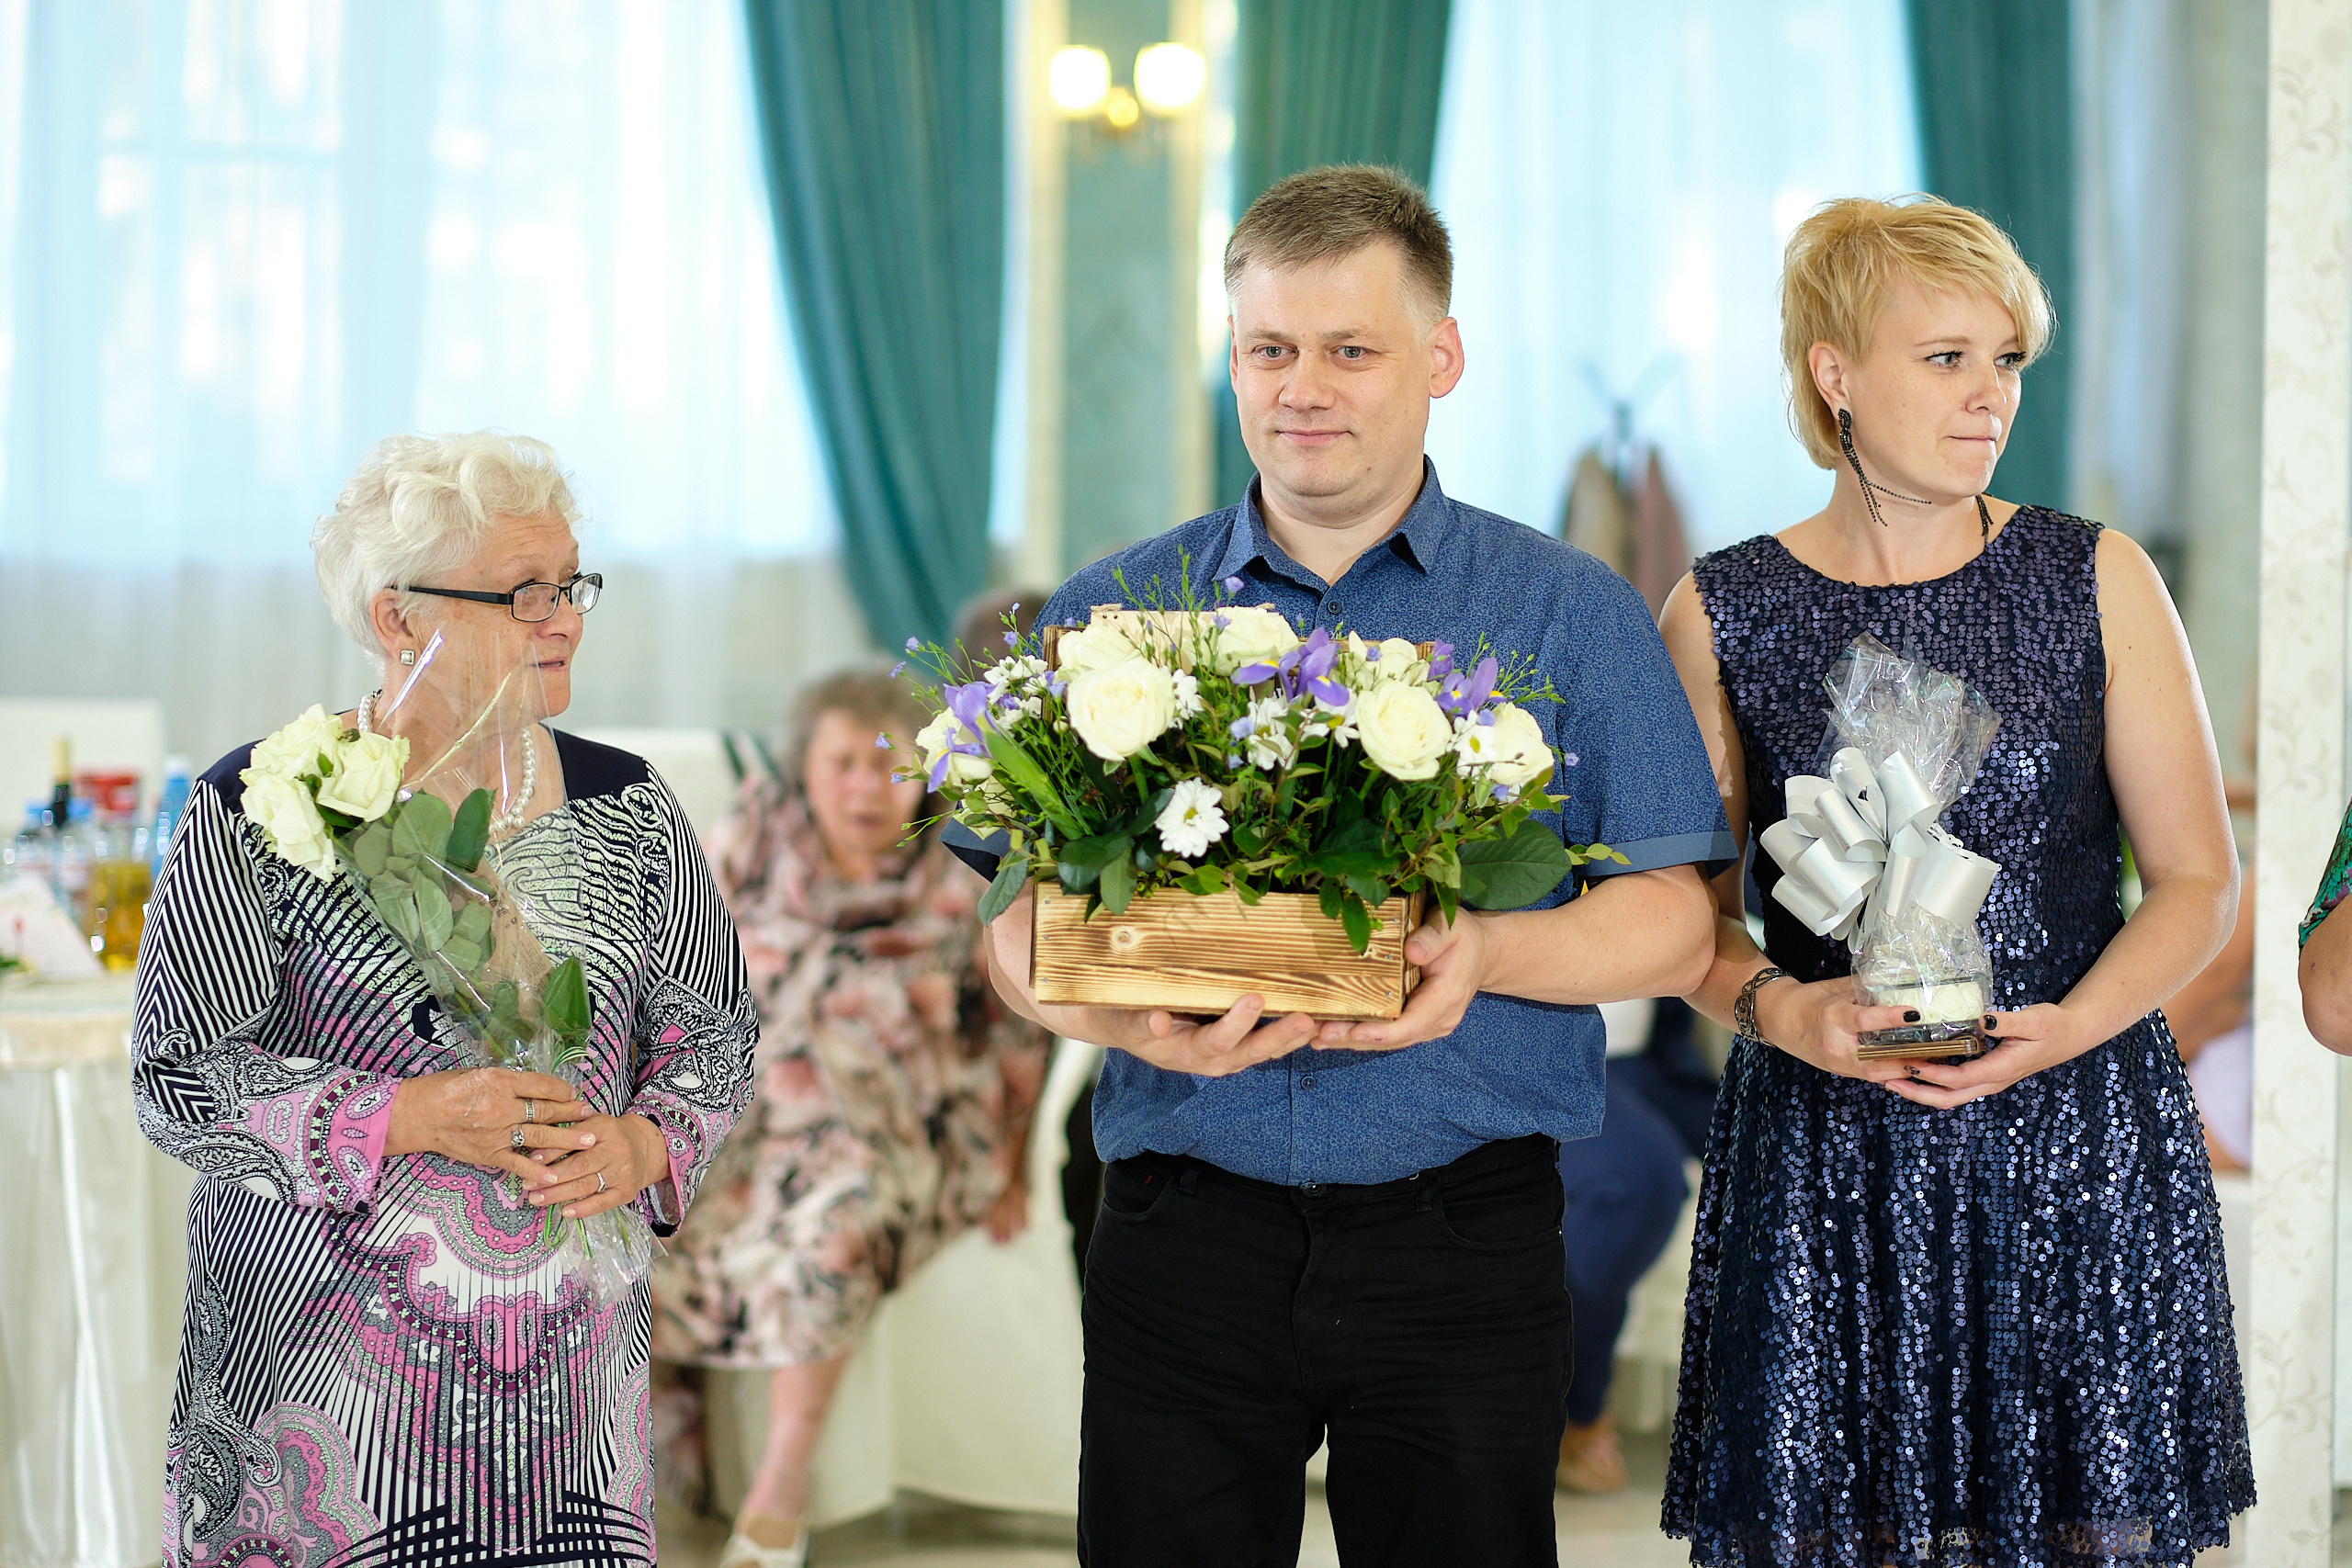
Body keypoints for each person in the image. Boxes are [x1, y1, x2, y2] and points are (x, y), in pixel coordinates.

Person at [973, 164, 1732, 1566]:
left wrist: (1488, 952)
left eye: (1350, 349)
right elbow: (1015, 928)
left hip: (1463, 1235)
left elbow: (1677, 927)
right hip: (1179, 1228)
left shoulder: (1569, 610)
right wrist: (1110, 1010)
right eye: (1271, 348)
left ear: (1440, 357)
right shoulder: (1113, 611)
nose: (1303, 387)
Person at [1657, 197, 2252, 1562]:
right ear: (1835, 375)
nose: (1992, 397)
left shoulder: (2098, 575)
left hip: (2075, 1127)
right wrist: (1783, 1011)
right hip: (1822, 1151)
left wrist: (2074, 1027)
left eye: (2008, 360)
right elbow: (1683, 917)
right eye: (1947, 359)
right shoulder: (1721, 607)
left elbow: (2195, 878)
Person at [131, 431, 759, 1568]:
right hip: (320, 1404)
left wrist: (647, 1141)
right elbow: (178, 1078)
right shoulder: (259, 806)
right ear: (397, 618)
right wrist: (408, 1118)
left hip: (567, 1407)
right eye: (525, 592)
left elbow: (713, 1035)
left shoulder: (629, 806)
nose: (563, 618)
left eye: (571, 585)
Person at [650, 668, 1049, 1568]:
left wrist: (1016, 1162)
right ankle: (647, 1501)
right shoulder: (754, 835)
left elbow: (1022, 1024)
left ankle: (777, 1497)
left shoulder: (968, 860)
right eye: (842, 764)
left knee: (835, 1232)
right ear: (805, 767)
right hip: (748, 1115)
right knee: (643, 1226)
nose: (866, 789)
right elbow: (674, 978)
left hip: (907, 1121)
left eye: (889, 765)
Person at [1552, 997, 1715, 1493]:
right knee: (1632, 1181)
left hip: (1652, 1059)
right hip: (1548, 1046)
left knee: (1814, 1160)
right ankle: (1574, 1409)